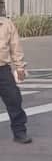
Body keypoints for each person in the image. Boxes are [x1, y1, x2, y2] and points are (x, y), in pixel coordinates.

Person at [0, 13, 31, 143]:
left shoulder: (6, 24)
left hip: (2, 70)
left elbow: (15, 47)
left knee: (14, 99)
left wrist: (20, 67)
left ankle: (19, 132)